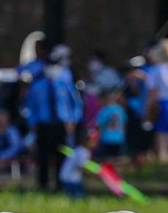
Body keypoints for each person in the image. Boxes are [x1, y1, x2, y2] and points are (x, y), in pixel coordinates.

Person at [24, 44, 84, 192]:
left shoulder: (65, 80)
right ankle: (43, 185)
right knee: (43, 156)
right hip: (43, 124)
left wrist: (73, 119)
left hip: (61, 124)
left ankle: (60, 184)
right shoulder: (38, 84)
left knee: (61, 156)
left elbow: (75, 102)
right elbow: (31, 106)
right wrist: (32, 123)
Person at [93, 87, 129, 160]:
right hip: (119, 139)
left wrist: (97, 140)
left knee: (105, 160)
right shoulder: (121, 109)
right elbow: (125, 125)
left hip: (106, 139)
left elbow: (99, 127)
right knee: (118, 159)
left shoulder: (103, 110)